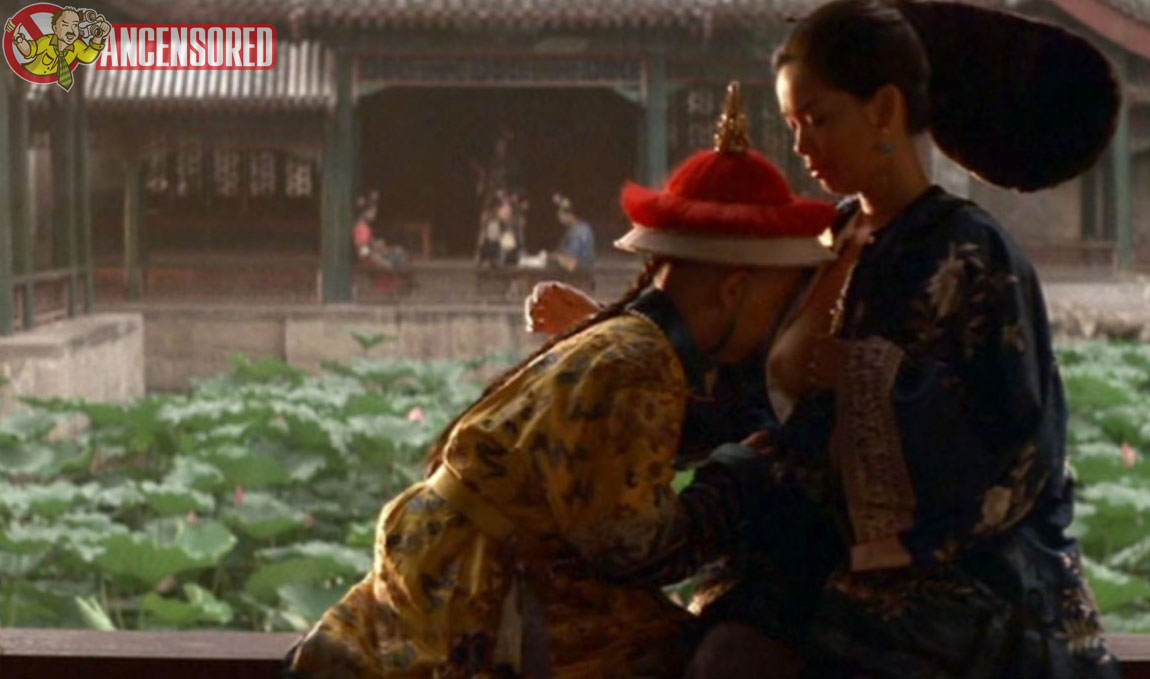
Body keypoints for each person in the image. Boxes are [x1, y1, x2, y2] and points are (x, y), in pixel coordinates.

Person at [526, 3, 1123, 677]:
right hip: (803, 549)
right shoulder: (819, 242)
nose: (801, 146)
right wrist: (618, 355)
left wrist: (870, 382)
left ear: (884, 109)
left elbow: (1014, 446)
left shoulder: (969, 252)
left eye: (817, 119)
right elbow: (747, 394)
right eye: (791, 125)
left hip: (949, 574)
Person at [285, 83, 836, 679]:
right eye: (776, 303)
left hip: (440, 564)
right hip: (485, 592)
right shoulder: (639, 364)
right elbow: (635, 548)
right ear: (733, 290)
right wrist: (737, 476)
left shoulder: (618, 342)